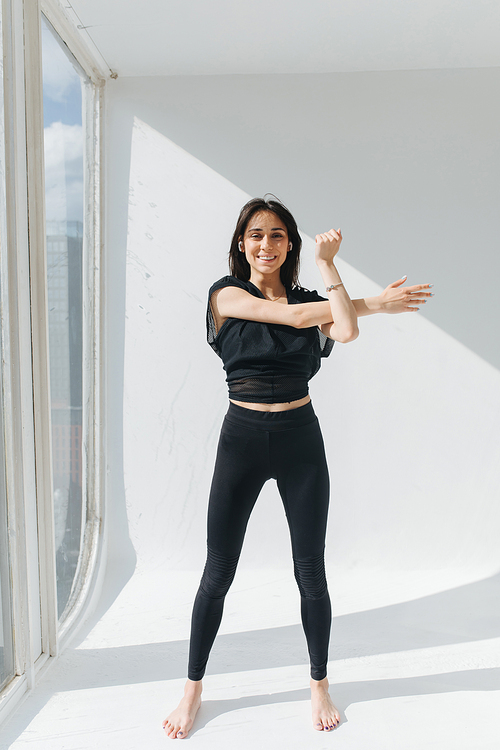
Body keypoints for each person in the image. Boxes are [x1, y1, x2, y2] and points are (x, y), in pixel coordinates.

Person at [163, 196, 433, 739]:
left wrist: (330, 268)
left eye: (279, 235)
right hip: (241, 439)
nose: (267, 244)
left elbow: (346, 332)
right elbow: (288, 317)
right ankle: (192, 688)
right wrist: (374, 302)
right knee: (218, 572)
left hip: (299, 439)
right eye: (257, 234)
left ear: (291, 245)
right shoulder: (226, 295)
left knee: (310, 570)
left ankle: (319, 685)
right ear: (242, 244)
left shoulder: (312, 295)